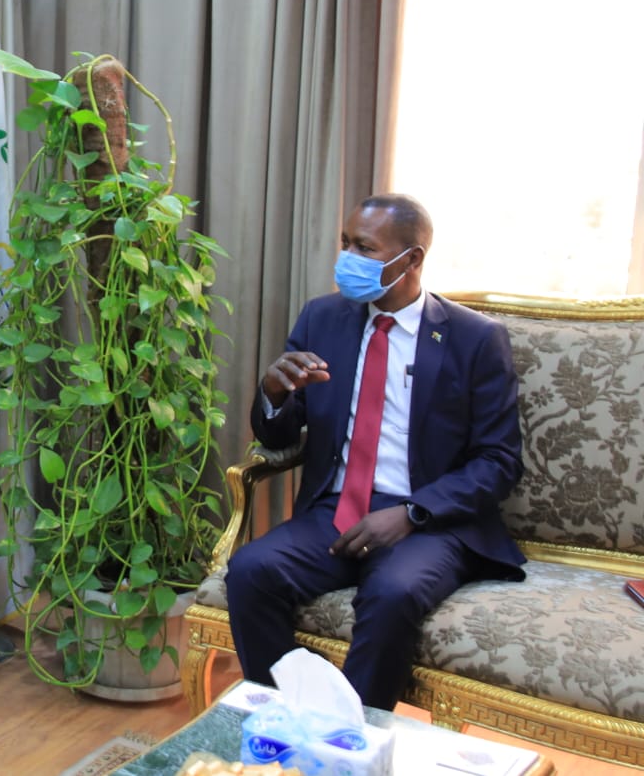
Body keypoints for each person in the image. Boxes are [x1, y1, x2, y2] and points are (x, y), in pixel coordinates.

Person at [224, 193, 526, 710]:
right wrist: (274, 395)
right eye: (345, 243)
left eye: (364, 248)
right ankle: (291, 717)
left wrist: (412, 513)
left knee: (392, 594)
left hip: (431, 521)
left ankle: (354, 739)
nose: (347, 258)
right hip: (336, 510)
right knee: (251, 571)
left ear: (412, 259)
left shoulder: (474, 339)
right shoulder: (323, 318)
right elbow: (278, 438)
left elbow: (499, 462)